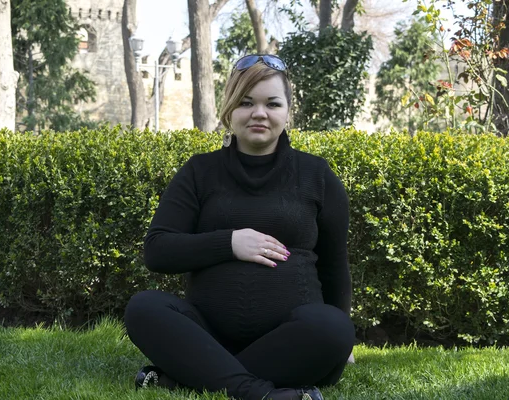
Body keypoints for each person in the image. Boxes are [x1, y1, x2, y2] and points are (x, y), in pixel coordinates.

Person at [124, 54, 355, 400]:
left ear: (287, 111)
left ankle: (195, 376)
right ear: (230, 109)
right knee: (143, 307)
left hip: (292, 338)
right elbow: (157, 250)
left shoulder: (317, 176)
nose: (259, 113)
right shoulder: (199, 172)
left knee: (334, 328)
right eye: (246, 102)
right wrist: (229, 243)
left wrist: (343, 339)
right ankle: (259, 393)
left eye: (271, 103)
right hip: (206, 334)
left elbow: (335, 263)